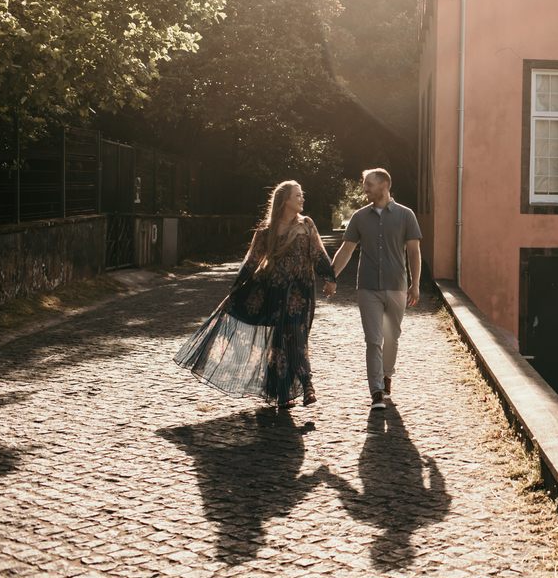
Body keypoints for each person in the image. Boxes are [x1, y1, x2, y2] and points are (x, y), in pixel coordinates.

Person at [174, 181, 337, 410]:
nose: (302, 199)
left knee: (296, 335)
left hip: (300, 293)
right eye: (298, 195)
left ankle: (293, 387)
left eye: (302, 195)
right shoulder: (266, 230)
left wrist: (329, 277)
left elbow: (318, 253)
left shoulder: (307, 224)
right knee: (282, 340)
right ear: (285, 200)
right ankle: (296, 388)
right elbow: (252, 261)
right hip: (274, 291)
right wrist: (236, 287)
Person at [330, 168, 421, 411]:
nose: (364, 189)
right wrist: (331, 276)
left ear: (384, 186)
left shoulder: (406, 215)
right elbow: (346, 250)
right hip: (368, 286)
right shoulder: (359, 217)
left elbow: (414, 252)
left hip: (397, 285)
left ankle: (387, 375)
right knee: (373, 340)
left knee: (392, 337)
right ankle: (377, 391)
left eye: (368, 184)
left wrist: (415, 284)